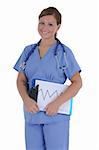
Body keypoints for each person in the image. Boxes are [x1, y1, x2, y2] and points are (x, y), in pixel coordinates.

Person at [14, 7, 82, 150]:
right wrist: (26, 100)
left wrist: (57, 103)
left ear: (58, 27)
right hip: (32, 113)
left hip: (55, 115)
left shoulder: (63, 53)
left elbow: (77, 82)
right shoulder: (28, 51)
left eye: (50, 24)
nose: (45, 28)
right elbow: (21, 80)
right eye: (41, 23)